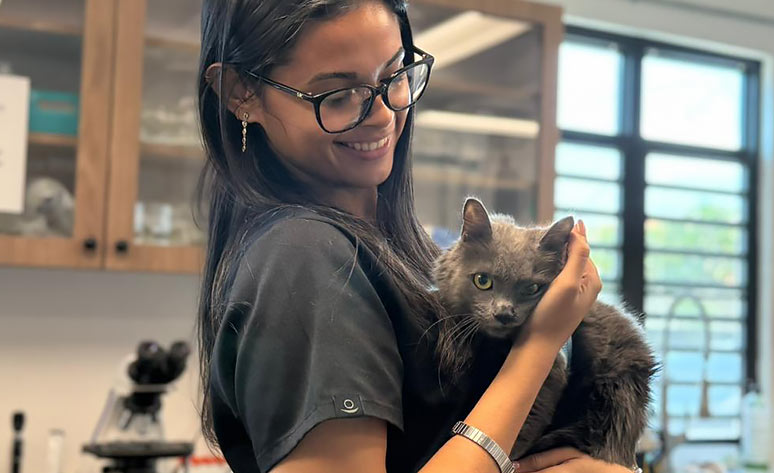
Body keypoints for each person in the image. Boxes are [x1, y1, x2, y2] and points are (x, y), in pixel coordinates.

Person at [195, 1, 633, 472]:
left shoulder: (392, 251)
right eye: (338, 94)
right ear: (242, 93)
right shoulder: (306, 257)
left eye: (394, 77)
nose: (382, 116)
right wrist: (540, 344)